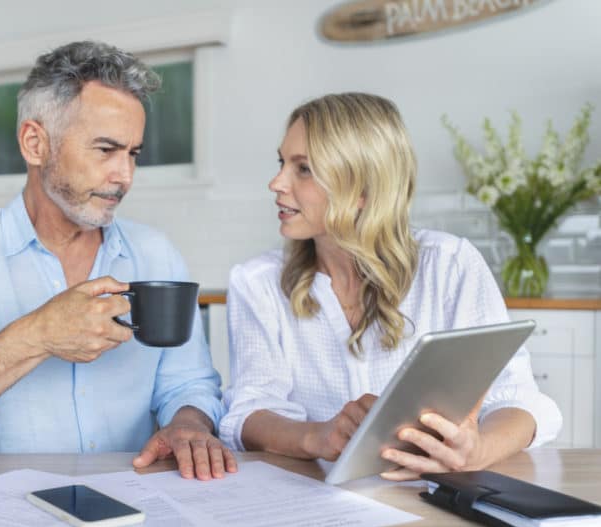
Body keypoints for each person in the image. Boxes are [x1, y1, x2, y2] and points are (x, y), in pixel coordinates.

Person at [0, 41, 236, 480]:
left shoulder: (158, 257)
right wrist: (36, 335)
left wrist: (187, 426)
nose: (125, 176)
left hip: (136, 507)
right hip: (6, 519)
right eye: (105, 150)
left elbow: (189, 382)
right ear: (35, 143)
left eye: (133, 153)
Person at [218, 92, 561, 480]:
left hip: (430, 505)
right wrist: (317, 436)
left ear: (362, 189)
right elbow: (248, 412)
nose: (275, 182)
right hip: (313, 504)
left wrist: (478, 450)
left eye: (304, 169)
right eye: (282, 163)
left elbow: (521, 399)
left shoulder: (449, 265)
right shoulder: (256, 282)